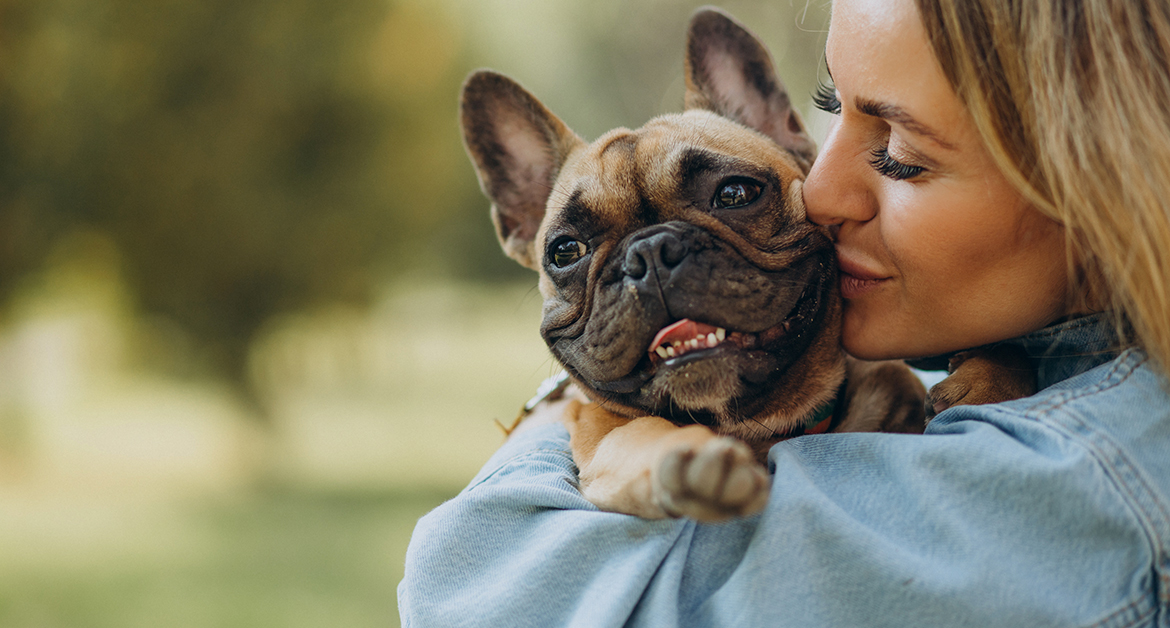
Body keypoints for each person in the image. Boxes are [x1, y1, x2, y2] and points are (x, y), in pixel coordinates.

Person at [399, 0, 1170, 625]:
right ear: (521, 221)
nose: (822, 192)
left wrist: (551, 424)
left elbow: (465, 597)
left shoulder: (1086, 476)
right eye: (832, 109)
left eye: (901, 148)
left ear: (1090, 168)